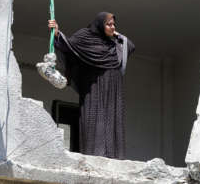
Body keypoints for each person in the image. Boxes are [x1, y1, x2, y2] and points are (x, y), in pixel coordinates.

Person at [48, 12, 135, 159]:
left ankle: (112, 156)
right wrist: (57, 33)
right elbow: (69, 46)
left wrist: (116, 34)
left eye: (114, 24)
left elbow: (130, 46)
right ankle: (95, 154)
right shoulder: (85, 36)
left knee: (111, 119)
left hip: (113, 88)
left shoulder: (114, 43)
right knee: (96, 120)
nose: (112, 27)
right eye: (109, 24)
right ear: (100, 25)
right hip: (94, 87)